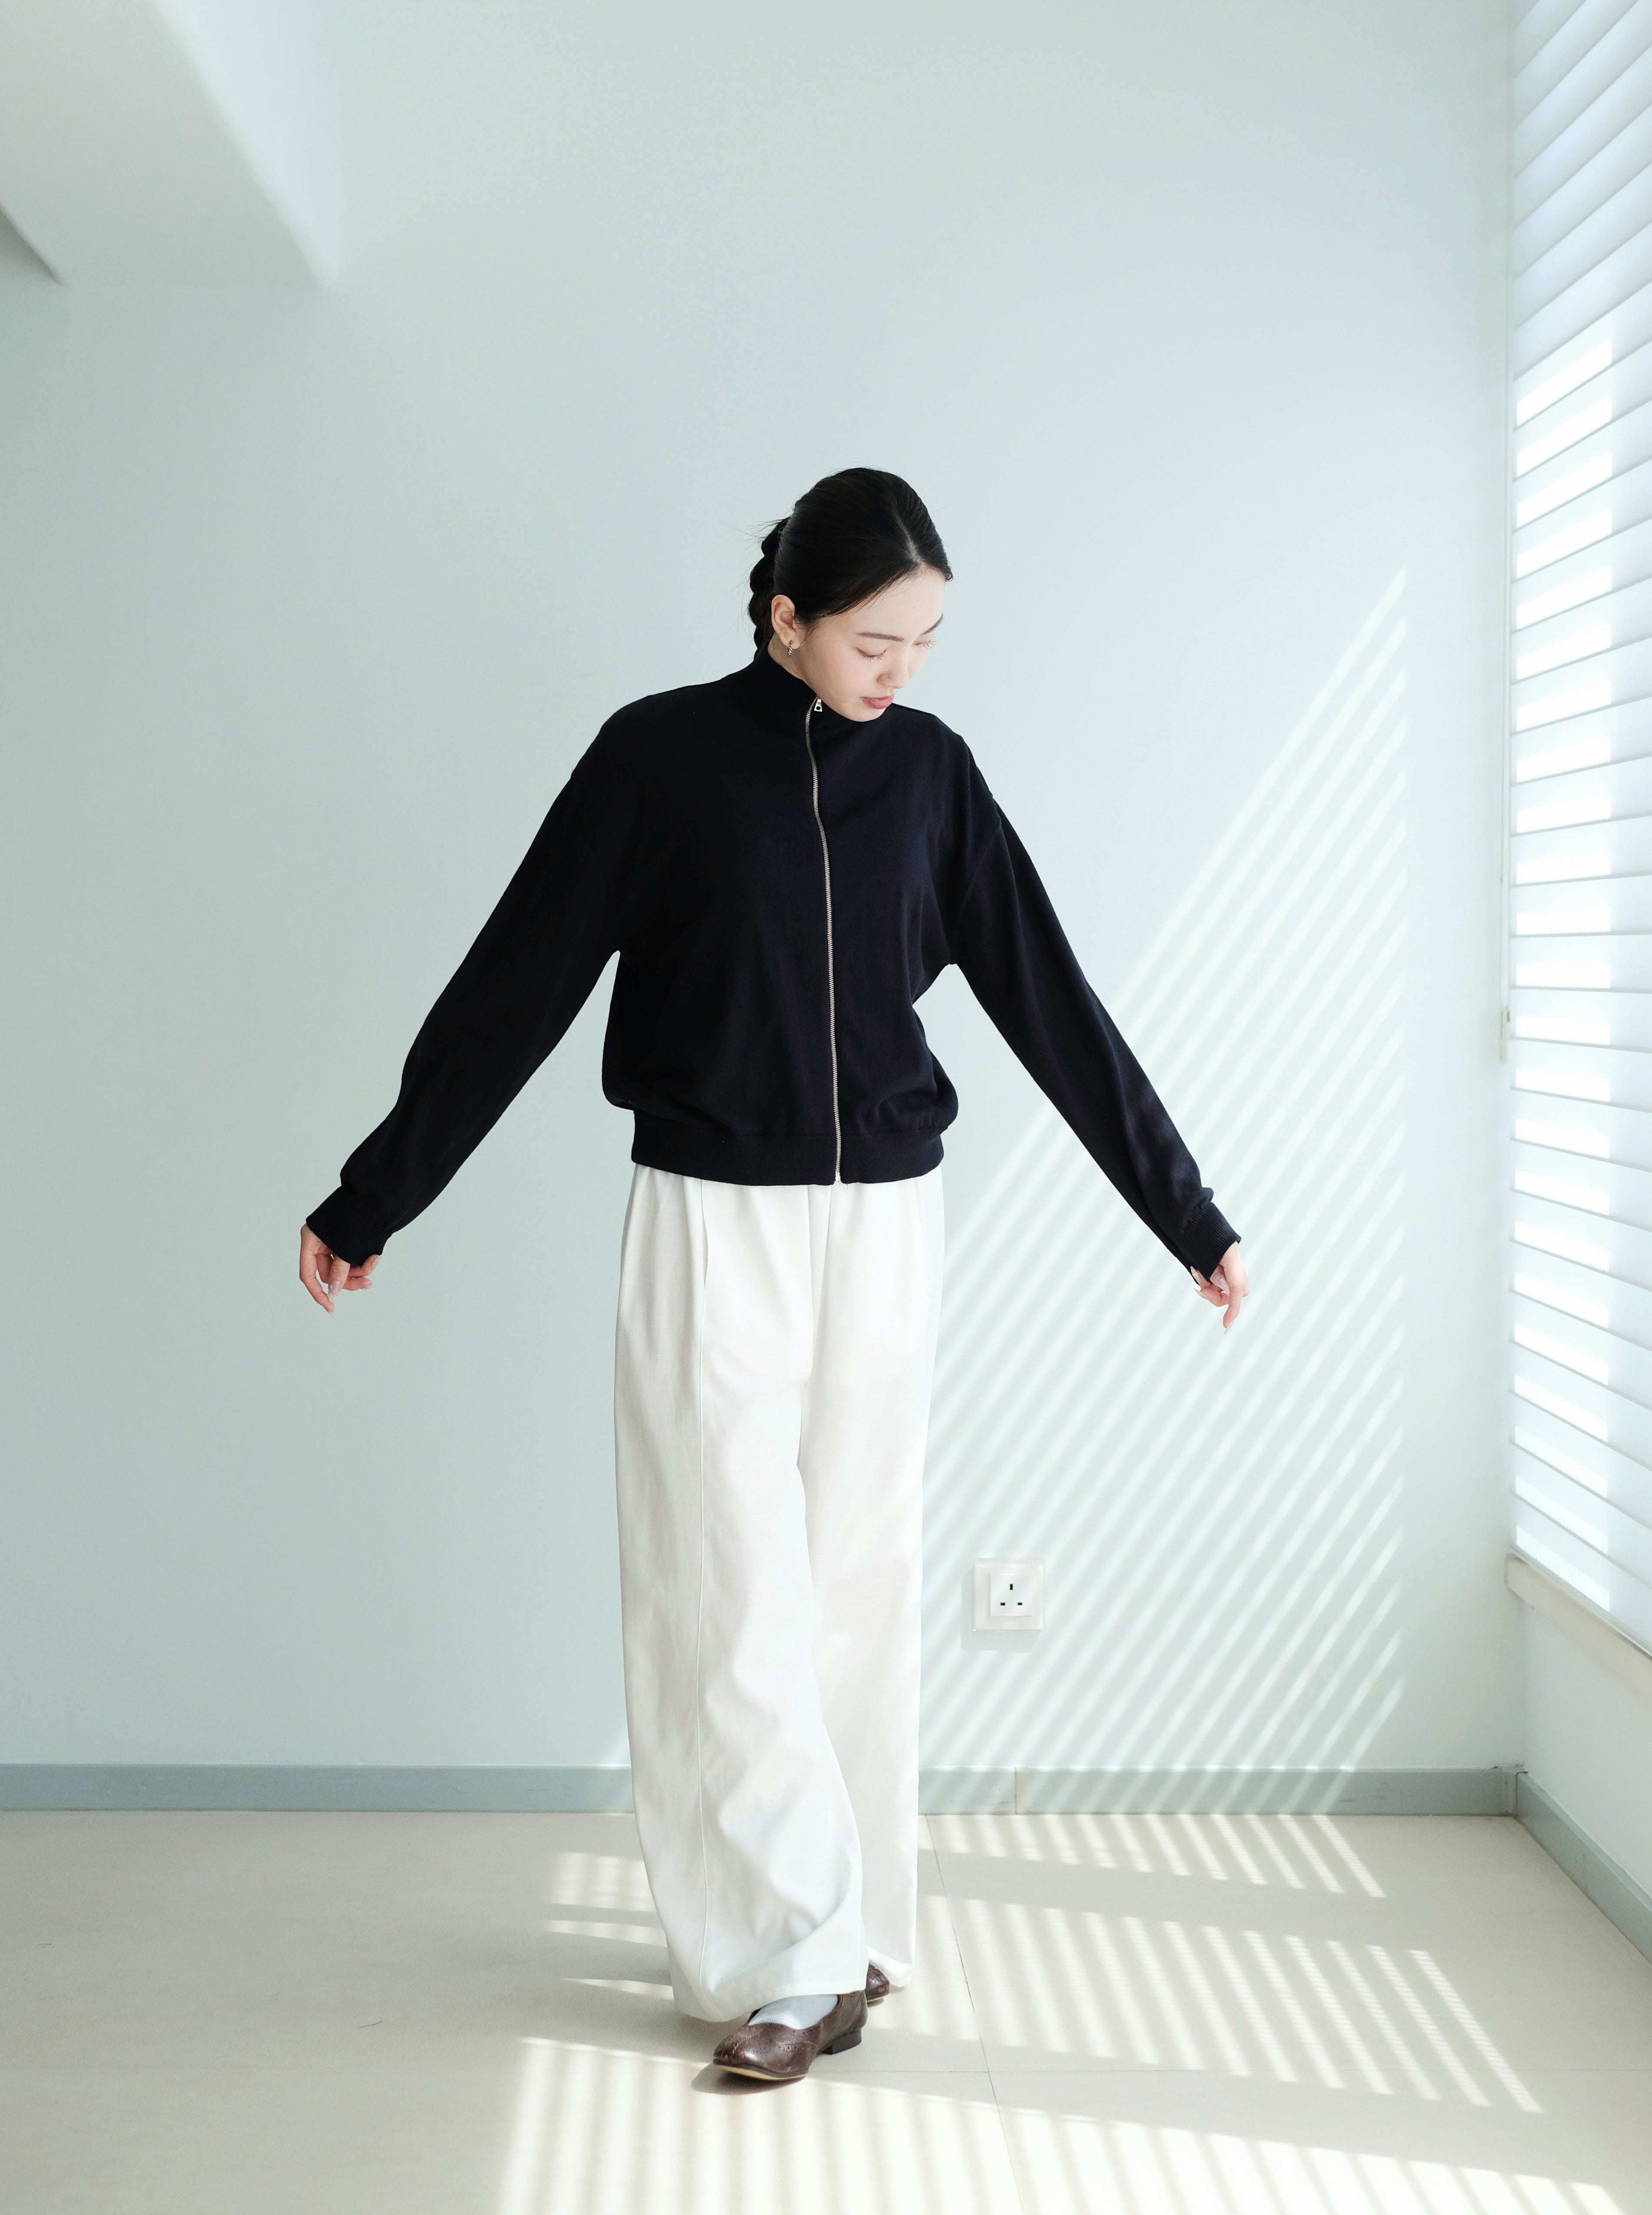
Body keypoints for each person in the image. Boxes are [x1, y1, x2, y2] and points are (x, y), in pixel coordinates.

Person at [300, 466, 1247, 2084]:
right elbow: (516, 980)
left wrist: (1188, 1214)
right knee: (724, 1587)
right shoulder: (654, 759)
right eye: (876, 642)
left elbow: (1049, 996)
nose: (903, 673)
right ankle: (790, 1958)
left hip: (887, 1224)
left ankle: (849, 1928)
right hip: (711, 1217)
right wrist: (378, 1192)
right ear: (784, 617)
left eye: (927, 643)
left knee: (856, 1578)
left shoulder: (931, 776)